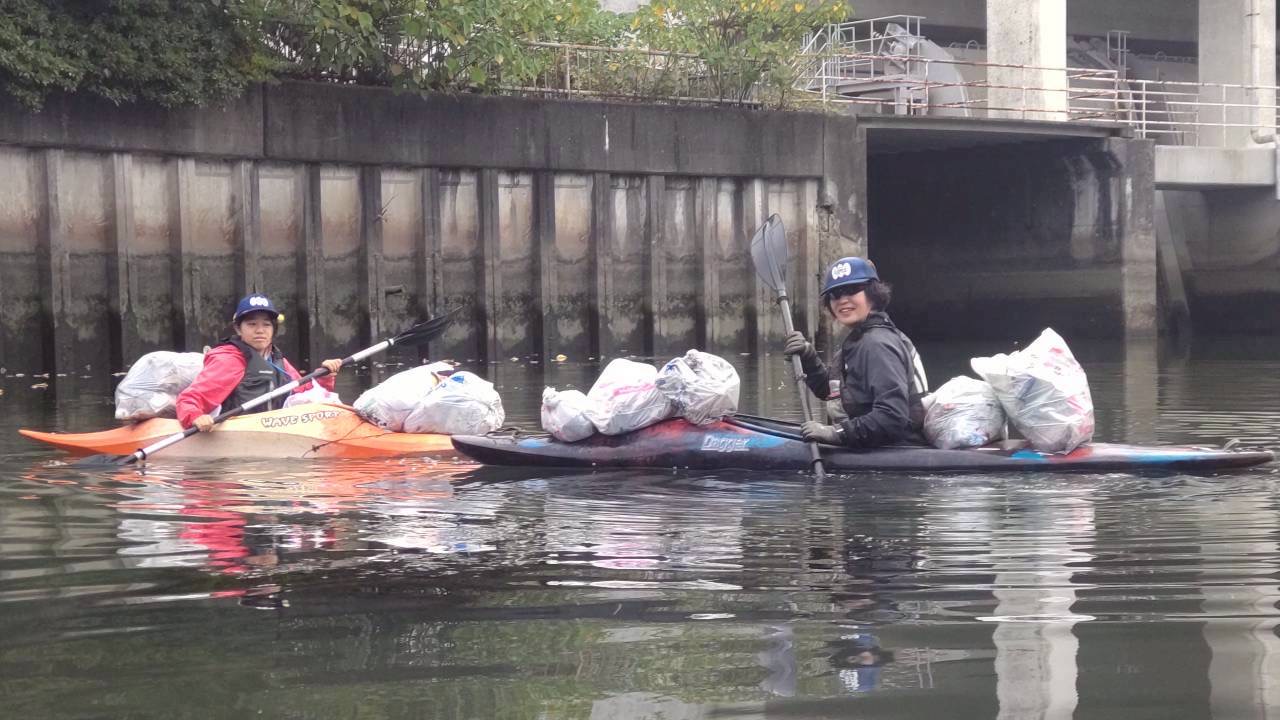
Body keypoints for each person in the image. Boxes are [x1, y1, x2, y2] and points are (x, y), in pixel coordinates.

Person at [782, 257, 928, 448]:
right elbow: (831, 391)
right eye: (835, 294)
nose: (843, 300)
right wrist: (808, 357)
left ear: (873, 294)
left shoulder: (877, 344)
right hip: (870, 443)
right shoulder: (859, 340)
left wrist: (835, 433)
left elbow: (892, 417)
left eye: (852, 290)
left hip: (898, 448)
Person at [176, 294, 343, 432]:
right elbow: (189, 399)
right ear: (238, 328)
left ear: (273, 329)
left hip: (275, 431)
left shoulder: (278, 360)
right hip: (239, 434)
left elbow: (307, 394)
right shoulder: (230, 360)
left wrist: (324, 376)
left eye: (266, 324)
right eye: (252, 324)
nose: (260, 330)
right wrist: (195, 416)